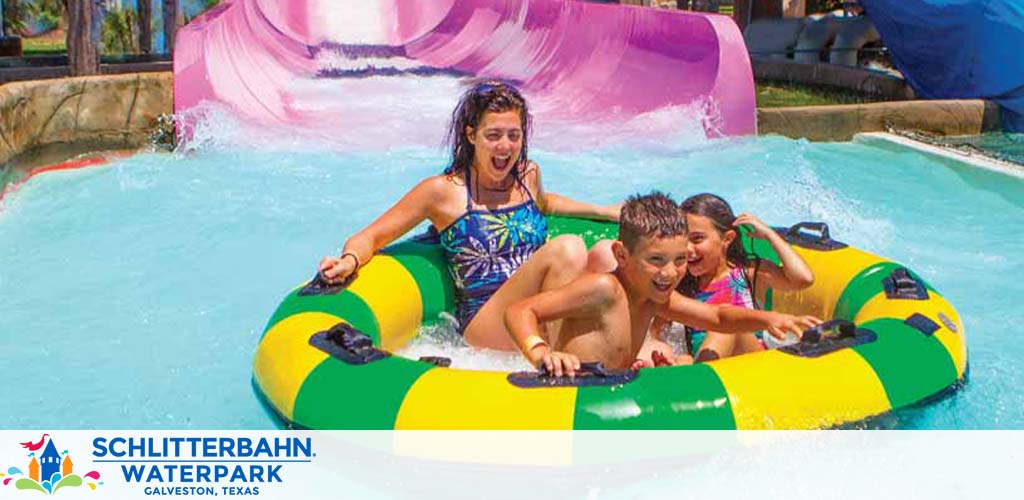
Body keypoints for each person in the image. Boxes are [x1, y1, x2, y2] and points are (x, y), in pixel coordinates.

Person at [318, 81, 619, 350]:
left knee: (607, 254)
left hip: (537, 307)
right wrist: (349, 261)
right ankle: (565, 354)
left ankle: (635, 345)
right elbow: (371, 236)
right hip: (488, 319)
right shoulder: (444, 192)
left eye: (514, 135)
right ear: (472, 136)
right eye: (494, 135)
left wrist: (602, 210)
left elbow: (545, 204)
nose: (505, 146)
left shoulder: (528, 174)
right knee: (568, 248)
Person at [504, 192, 821, 377]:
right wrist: (542, 353)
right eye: (656, 260)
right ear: (622, 255)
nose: (670, 273)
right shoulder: (604, 289)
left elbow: (718, 318)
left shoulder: (654, 297)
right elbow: (521, 310)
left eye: (680, 260)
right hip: (573, 391)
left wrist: (772, 319)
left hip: (611, 386)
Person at [667, 193, 815, 362]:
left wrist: (769, 234)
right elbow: (657, 335)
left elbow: (803, 279)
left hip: (751, 364)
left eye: (697, 239)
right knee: (682, 359)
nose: (688, 249)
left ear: (727, 238)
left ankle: (699, 385)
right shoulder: (680, 283)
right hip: (709, 367)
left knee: (727, 330)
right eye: (683, 240)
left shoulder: (748, 273)